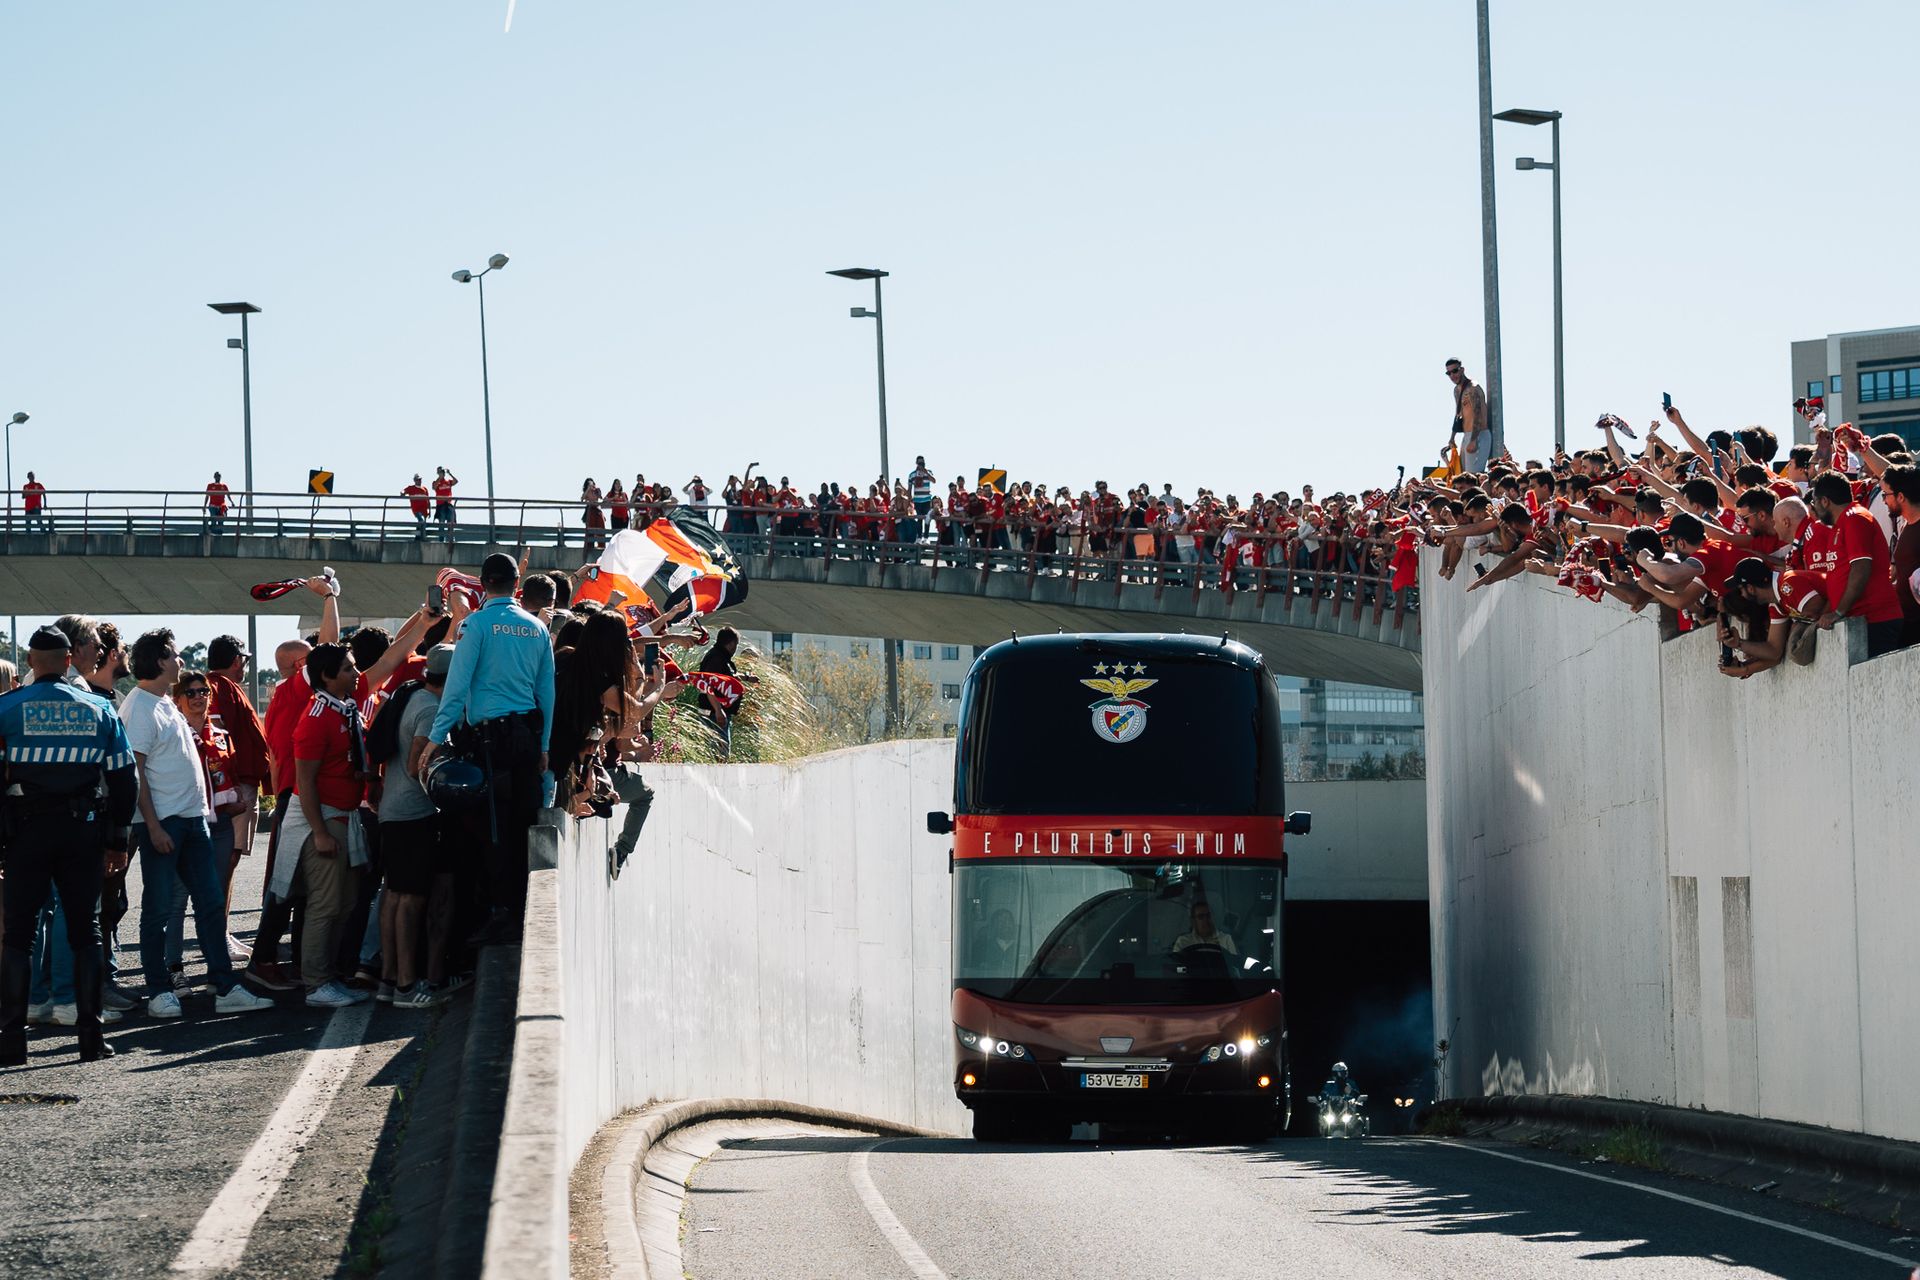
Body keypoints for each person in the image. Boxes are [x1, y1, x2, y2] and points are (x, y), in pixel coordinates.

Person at [0, 627, 138, 1064]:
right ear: (67, 661)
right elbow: (124, 778)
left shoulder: (6, 708)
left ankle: (10, 1043)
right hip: (83, 831)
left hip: (24, 834)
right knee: (86, 933)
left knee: (18, 936)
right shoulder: (99, 708)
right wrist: (117, 840)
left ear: (30, 660)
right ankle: (90, 1039)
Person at [122, 629, 273, 1020]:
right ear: (159, 661)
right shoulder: (140, 707)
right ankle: (159, 991)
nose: (181, 661)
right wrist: (152, 827)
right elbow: (134, 773)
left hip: (193, 822)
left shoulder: (164, 705)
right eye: (174, 655)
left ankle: (224, 987)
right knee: (157, 909)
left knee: (209, 905)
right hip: (167, 824)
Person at [426, 552, 555, 944]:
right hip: (527, 739)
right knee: (523, 824)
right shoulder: (537, 628)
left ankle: (502, 913)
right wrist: (545, 744)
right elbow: (546, 692)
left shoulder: (474, 625)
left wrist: (433, 740)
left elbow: (457, 686)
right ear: (517, 586)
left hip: (490, 741)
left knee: (494, 829)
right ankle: (521, 909)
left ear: (483, 584)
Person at [375, 644, 455, 1007]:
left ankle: (389, 980)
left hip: (392, 811)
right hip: (413, 813)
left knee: (394, 895)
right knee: (410, 899)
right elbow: (414, 765)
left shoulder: (410, 696)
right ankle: (407, 985)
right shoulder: (431, 708)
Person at [206, 634, 269, 961]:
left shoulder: (214, 686)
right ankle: (219, 936)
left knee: (224, 862)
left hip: (230, 785)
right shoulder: (223, 687)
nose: (244, 664)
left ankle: (222, 933)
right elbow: (220, 737)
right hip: (234, 786)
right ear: (236, 660)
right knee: (225, 862)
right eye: (243, 659)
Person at [1445, 359, 1489, 475]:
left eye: (1454, 371)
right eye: (1449, 373)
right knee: (1462, 476)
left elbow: (1478, 415)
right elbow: (1458, 414)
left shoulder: (1472, 388)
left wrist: (1474, 439)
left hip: (1478, 434)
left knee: (1472, 476)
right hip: (1467, 435)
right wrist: (1452, 437)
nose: (1452, 375)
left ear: (1462, 370)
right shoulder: (1457, 390)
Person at [1171, 899, 1237, 954]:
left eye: (1209, 915)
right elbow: (1175, 966)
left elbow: (1234, 965)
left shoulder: (1226, 939)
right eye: (1201, 917)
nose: (1205, 920)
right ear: (1193, 921)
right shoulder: (1183, 941)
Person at [432, 467, 459, 543]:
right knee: (442, 523)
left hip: (449, 504)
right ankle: (441, 540)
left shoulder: (448, 481)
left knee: (450, 522)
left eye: (442, 472)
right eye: (440, 472)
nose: (442, 473)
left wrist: (450, 474)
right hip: (441, 505)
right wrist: (439, 478)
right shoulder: (436, 482)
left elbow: (456, 481)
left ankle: (451, 539)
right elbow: (434, 487)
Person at [402, 474, 432, 539]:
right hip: (416, 509)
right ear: (414, 480)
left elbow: (428, 500)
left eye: (420, 480)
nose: (419, 481)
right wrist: (402, 493)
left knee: (421, 523)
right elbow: (404, 491)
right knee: (421, 520)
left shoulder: (425, 489)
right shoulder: (411, 488)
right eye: (417, 480)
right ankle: (423, 537)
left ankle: (417, 537)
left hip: (424, 510)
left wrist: (430, 511)